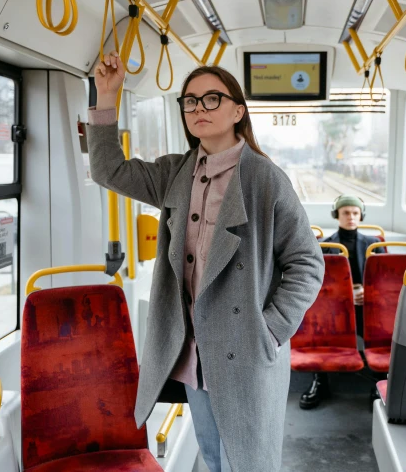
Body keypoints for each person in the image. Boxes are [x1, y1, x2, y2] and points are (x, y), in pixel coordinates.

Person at [87, 52, 324, 472]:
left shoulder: (266, 180)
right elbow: (109, 171)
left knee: (251, 463)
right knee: (212, 458)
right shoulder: (175, 174)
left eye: (212, 98)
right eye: (191, 101)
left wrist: (269, 329)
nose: (199, 108)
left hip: (248, 352)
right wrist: (107, 95)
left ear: (238, 110)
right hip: (196, 354)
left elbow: (306, 263)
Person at [299, 194, 386, 410]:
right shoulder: (325, 245)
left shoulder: (374, 244)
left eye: (355, 213)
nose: (351, 217)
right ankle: (320, 380)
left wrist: (368, 292)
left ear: (361, 216)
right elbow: (318, 282)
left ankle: (380, 378)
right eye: (346, 213)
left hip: (367, 305)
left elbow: (383, 279)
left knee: (382, 326)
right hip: (335, 308)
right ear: (337, 215)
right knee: (320, 326)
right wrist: (344, 296)